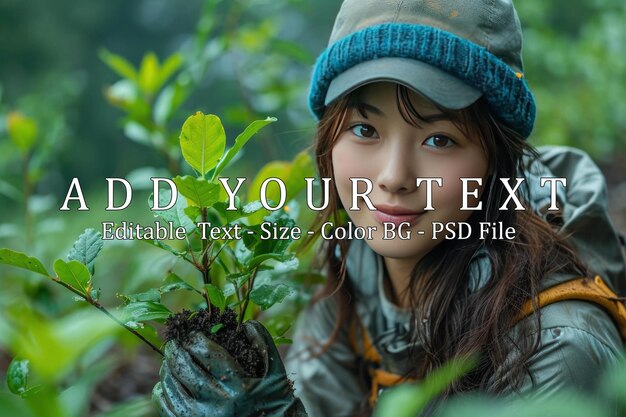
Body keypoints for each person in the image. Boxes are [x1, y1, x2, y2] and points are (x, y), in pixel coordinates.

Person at [152, 0, 626, 416]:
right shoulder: (353, 272)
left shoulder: (558, 348)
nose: (394, 176)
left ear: (497, 163)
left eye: (439, 139)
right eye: (364, 129)